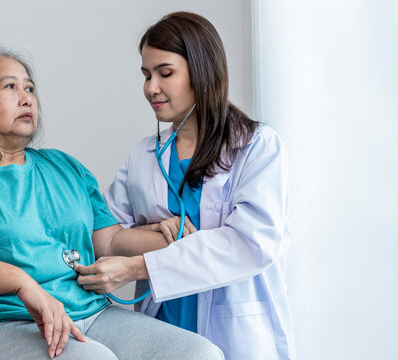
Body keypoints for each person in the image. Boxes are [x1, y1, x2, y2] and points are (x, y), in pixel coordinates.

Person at [0, 44, 223, 360]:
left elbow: (108, 241)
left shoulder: (64, 167)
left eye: (30, 88)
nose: (26, 98)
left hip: (94, 315)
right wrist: (23, 283)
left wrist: (169, 235)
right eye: (10, 87)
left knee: (199, 353)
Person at [75, 12, 296, 360]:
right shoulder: (144, 155)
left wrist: (137, 266)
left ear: (202, 70)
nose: (151, 88)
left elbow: (249, 244)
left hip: (235, 328)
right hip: (163, 327)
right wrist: (147, 232)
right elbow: (103, 233)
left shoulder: (257, 147)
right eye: (146, 75)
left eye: (165, 73)